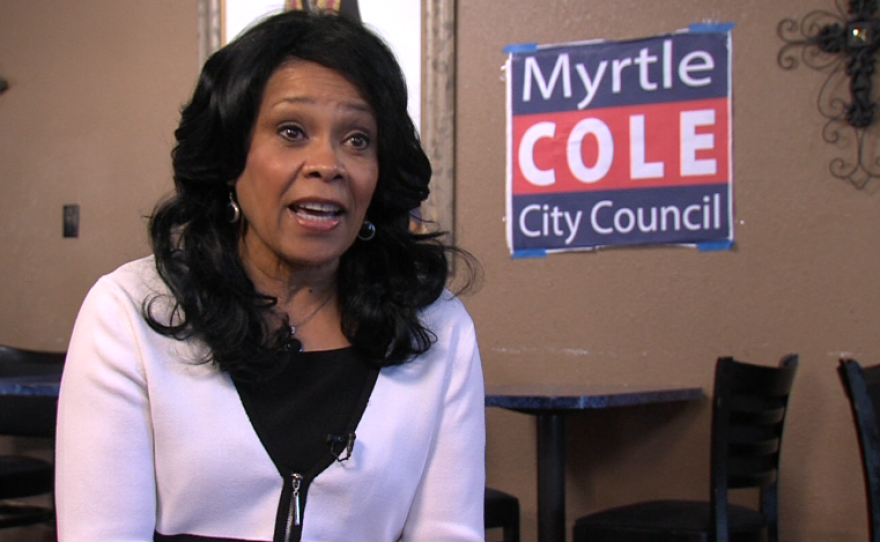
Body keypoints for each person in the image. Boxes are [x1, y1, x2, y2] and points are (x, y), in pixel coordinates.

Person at [55, 9, 485, 542]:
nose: (328, 164)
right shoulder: (129, 313)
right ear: (232, 157)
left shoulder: (439, 328)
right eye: (292, 131)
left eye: (357, 140)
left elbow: (449, 532)